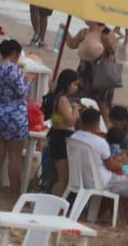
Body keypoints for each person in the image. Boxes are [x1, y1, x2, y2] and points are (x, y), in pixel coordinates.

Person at [71, 108, 128, 223]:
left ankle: (104, 213)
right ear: (96, 123)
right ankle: (124, 219)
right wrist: (121, 163)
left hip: (81, 180)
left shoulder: (74, 137)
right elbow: (112, 167)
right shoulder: (100, 142)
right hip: (103, 181)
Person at [0, 39, 30, 198]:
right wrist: (28, 81)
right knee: (15, 156)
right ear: (14, 54)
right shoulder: (12, 69)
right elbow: (22, 92)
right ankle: (14, 193)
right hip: (14, 113)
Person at [44, 69, 83, 199]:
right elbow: (70, 121)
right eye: (75, 84)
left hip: (58, 135)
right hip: (61, 139)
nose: (76, 88)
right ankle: (54, 203)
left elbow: (56, 119)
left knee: (61, 177)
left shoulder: (57, 97)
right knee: (63, 178)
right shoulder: (63, 99)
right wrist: (76, 110)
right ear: (68, 84)